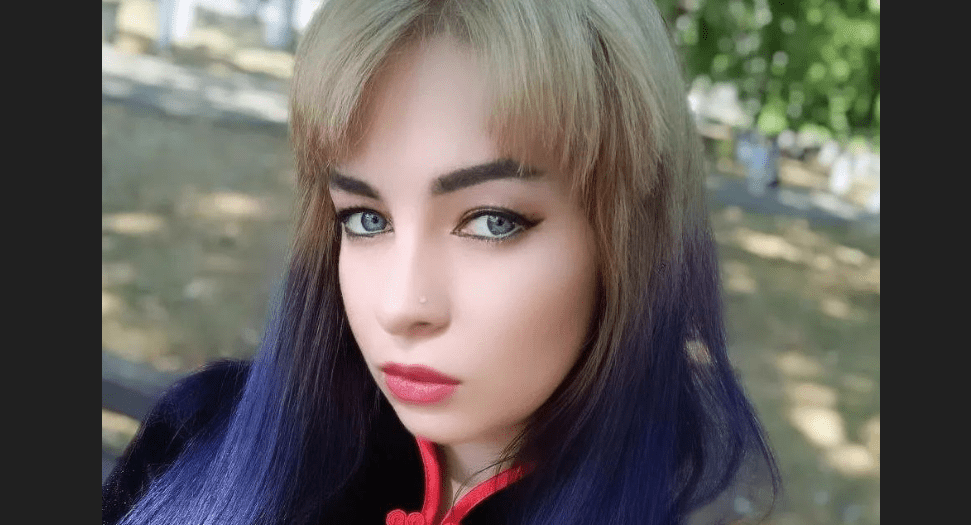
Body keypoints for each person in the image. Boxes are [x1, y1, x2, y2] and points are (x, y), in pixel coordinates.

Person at [102, 1, 780, 523]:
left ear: (623, 243)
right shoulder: (201, 439)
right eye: (366, 219)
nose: (401, 306)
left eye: (491, 221)